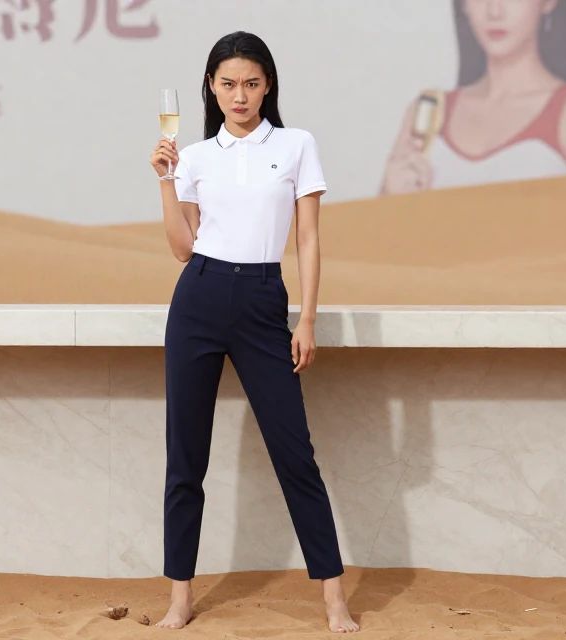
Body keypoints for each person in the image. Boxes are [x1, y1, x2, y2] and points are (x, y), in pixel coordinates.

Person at [147, 31, 360, 634]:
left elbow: (309, 240)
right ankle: (179, 598)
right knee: (185, 455)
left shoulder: (295, 145)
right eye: (228, 84)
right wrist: (165, 179)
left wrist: (308, 317)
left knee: (296, 454)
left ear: (268, 86)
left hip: (265, 301)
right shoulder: (193, 155)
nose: (239, 95)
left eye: (251, 83)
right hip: (199, 298)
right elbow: (183, 249)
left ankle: (334, 598)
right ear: (211, 89)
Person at [381, 0, 566, 194]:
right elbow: (378, 247)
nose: (494, 11)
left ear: (549, 2)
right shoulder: (427, 114)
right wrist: (390, 204)